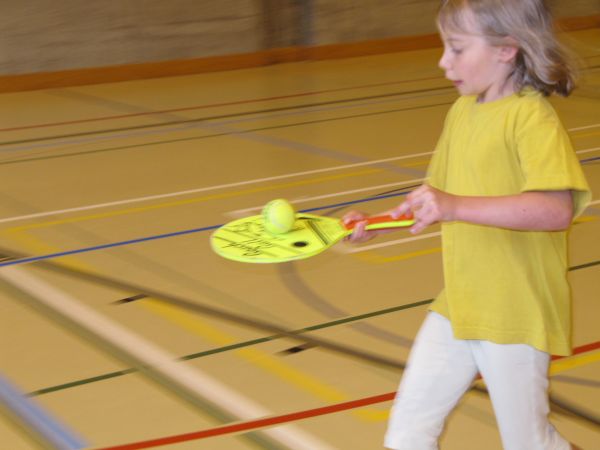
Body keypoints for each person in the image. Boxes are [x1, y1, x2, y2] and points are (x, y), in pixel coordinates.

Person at [343, 1, 591, 449]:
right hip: (460, 303)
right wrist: (379, 222)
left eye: (456, 48)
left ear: (506, 50)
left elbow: (555, 210)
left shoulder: (531, 118)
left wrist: (454, 206)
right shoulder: (462, 111)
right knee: (407, 433)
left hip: (514, 310)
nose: (444, 61)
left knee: (529, 444)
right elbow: (436, 196)